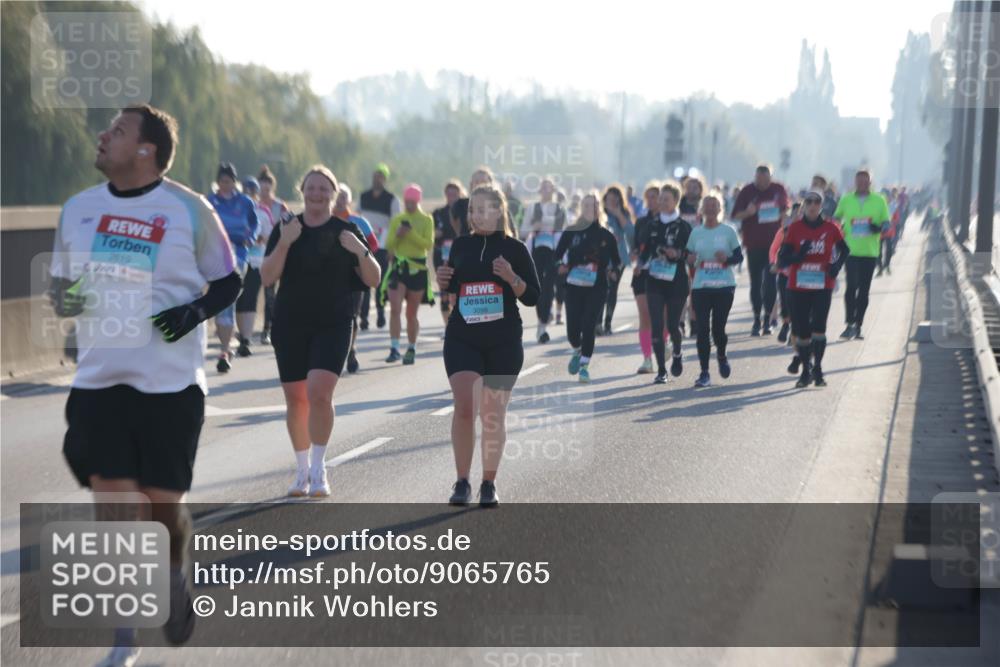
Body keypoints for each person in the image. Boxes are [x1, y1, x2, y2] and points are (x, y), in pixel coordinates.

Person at [50, 105, 241, 666]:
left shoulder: (189, 209)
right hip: (100, 382)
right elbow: (65, 286)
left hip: (171, 384)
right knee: (115, 507)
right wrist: (67, 303)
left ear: (146, 151)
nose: (103, 136)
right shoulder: (78, 209)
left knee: (161, 509)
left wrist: (192, 313)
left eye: (117, 130)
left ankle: (175, 572)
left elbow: (230, 280)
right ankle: (123, 638)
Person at [261, 165, 381, 497]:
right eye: (311, 188)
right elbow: (267, 277)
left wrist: (361, 251)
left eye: (323, 188)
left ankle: (318, 467)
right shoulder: (286, 227)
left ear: (333, 193)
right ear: (302, 191)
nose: (317, 194)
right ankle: (301, 472)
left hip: (334, 322)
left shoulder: (348, 230)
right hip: (290, 323)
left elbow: (374, 278)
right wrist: (284, 244)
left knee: (319, 393)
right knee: (296, 399)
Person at [435, 183, 540, 507]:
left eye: (482, 210)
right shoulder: (461, 246)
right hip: (463, 337)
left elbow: (533, 296)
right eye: (472, 210)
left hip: (503, 341)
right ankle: (462, 481)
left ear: (499, 211)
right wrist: (443, 281)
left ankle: (488, 483)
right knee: (465, 406)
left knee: (492, 414)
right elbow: (452, 287)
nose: (476, 216)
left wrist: (511, 277)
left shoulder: (515, 249)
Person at [778, 190, 849, 387]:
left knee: (819, 329)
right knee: (802, 331)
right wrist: (797, 257)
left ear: (821, 205)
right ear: (804, 205)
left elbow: (845, 250)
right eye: (808, 201)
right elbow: (782, 258)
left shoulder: (830, 228)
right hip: (798, 286)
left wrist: (836, 266)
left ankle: (817, 369)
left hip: (822, 285)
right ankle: (805, 371)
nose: (812, 205)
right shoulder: (794, 228)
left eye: (816, 202)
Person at [555, 191, 622, 383]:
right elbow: (557, 255)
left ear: (598, 209)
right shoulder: (571, 231)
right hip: (574, 284)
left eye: (592, 206)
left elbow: (616, 262)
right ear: (580, 209)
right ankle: (577, 349)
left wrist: (613, 272)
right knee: (573, 331)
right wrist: (560, 266)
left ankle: (584, 365)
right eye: (585, 206)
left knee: (589, 324)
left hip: (597, 285)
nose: (588, 209)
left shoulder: (606, 235)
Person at [685, 192, 742, 387]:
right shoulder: (695, 233)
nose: (710, 208)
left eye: (714, 205)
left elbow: (739, 257)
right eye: (707, 205)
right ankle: (704, 372)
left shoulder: (728, 231)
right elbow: (688, 256)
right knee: (702, 329)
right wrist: (690, 260)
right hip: (701, 286)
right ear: (702, 209)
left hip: (724, 286)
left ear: (720, 209)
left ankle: (722, 354)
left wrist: (727, 259)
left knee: (718, 329)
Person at [207, 162, 259, 372]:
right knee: (222, 304)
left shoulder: (245, 202)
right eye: (221, 181)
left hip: (238, 254)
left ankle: (226, 349)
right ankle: (225, 348)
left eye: (228, 181)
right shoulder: (210, 201)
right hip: (216, 255)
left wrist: (250, 238)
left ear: (234, 182)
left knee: (227, 300)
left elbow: (254, 224)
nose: (224, 185)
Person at [640, 182, 692, 384]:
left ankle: (677, 353)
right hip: (654, 280)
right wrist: (640, 263)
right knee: (656, 325)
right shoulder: (651, 225)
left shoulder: (684, 226)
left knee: (672, 325)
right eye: (660, 199)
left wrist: (677, 253)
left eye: (666, 199)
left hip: (677, 281)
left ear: (676, 202)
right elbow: (644, 250)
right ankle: (661, 369)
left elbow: (690, 254)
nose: (661, 202)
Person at [732, 164, 788, 336]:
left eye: (765, 179)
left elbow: (786, 210)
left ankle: (767, 320)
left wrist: (784, 218)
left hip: (773, 245)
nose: (762, 183)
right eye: (759, 179)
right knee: (755, 284)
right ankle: (756, 318)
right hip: (754, 243)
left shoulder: (778, 189)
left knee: (770, 284)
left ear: (771, 177)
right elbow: (734, 215)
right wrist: (748, 212)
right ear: (755, 177)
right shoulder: (747, 191)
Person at [381, 184, 435, 364]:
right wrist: (397, 235)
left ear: (418, 201)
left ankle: (411, 347)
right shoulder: (398, 219)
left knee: (411, 314)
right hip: (399, 268)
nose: (409, 205)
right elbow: (389, 245)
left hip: (418, 269)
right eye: (406, 201)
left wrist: (410, 234)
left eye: (412, 202)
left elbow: (427, 245)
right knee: (395, 308)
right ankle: (394, 347)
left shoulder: (426, 220)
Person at [834, 169, 890, 339]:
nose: (862, 184)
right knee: (851, 287)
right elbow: (836, 219)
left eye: (865, 181)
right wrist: (839, 229)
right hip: (850, 251)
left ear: (870, 183)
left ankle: (859, 325)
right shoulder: (846, 199)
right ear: (855, 182)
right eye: (859, 181)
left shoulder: (879, 200)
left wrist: (879, 228)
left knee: (864, 291)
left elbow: (887, 224)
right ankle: (849, 324)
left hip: (870, 252)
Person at [334, 184, 380, 374]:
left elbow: (374, 246)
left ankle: (351, 349)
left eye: (345, 196)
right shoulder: (324, 220)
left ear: (350, 200)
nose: (341, 199)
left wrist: (360, 254)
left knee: (352, 315)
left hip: (355, 275)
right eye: (339, 195)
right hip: (332, 275)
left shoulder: (358, 222)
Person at [519, 177, 567, 343]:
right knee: (538, 287)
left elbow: (561, 226)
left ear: (553, 190)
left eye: (549, 188)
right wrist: (534, 227)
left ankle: (542, 326)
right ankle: (541, 319)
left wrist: (543, 223)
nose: (546, 191)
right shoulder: (533, 207)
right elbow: (524, 230)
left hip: (554, 251)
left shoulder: (559, 208)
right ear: (539, 191)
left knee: (549, 288)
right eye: (543, 188)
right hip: (537, 251)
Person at [233, 176, 272, 358]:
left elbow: (268, 235)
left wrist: (257, 238)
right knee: (238, 300)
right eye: (246, 191)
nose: (249, 195)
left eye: (252, 192)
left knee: (250, 299)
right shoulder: (235, 209)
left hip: (256, 262)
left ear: (257, 194)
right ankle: (241, 336)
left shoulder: (263, 212)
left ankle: (246, 339)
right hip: (236, 261)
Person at [359, 163, 401, 329]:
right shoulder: (364, 196)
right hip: (364, 243)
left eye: (381, 176)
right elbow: (358, 217)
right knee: (364, 281)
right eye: (375, 175)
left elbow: (395, 224)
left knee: (380, 281)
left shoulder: (392, 199)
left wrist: (393, 248)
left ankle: (381, 312)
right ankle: (363, 317)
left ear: (385, 179)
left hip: (383, 245)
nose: (377, 179)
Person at [256, 166, 289, 344]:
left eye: (268, 188)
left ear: (272, 188)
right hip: (255, 254)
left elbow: (288, 226)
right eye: (262, 188)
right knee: (255, 292)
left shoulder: (279, 206)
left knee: (272, 293)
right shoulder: (252, 205)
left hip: (276, 253)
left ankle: (268, 328)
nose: (265, 191)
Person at [632, 181, 660, 374]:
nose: (650, 201)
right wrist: (635, 255)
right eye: (648, 197)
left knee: (663, 317)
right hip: (642, 273)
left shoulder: (670, 222)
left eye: (655, 197)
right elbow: (635, 246)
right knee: (645, 315)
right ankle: (647, 359)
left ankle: (664, 345)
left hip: (664, 275)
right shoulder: (641, 222)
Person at [598, 185, 634, 335]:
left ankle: (608, 322)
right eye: (609, 199)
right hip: (601, 258)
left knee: (612, 290)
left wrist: (619, 213)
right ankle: (597, 323)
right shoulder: (600, 213)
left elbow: (631, 232)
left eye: (615, 199)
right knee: (600, 291)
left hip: (618, 258)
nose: (611, 202)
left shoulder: (623, 214)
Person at [432, 180, 468, 329]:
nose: (451, 196)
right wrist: (436, 234)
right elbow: (432, 235)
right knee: (445, 292)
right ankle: (449, 327)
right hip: (442, 255)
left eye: (455, 193)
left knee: (459, 291)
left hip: (461, 255)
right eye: (449, 193)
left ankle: (460, 323)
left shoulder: (465, 210)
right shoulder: (438, 213)